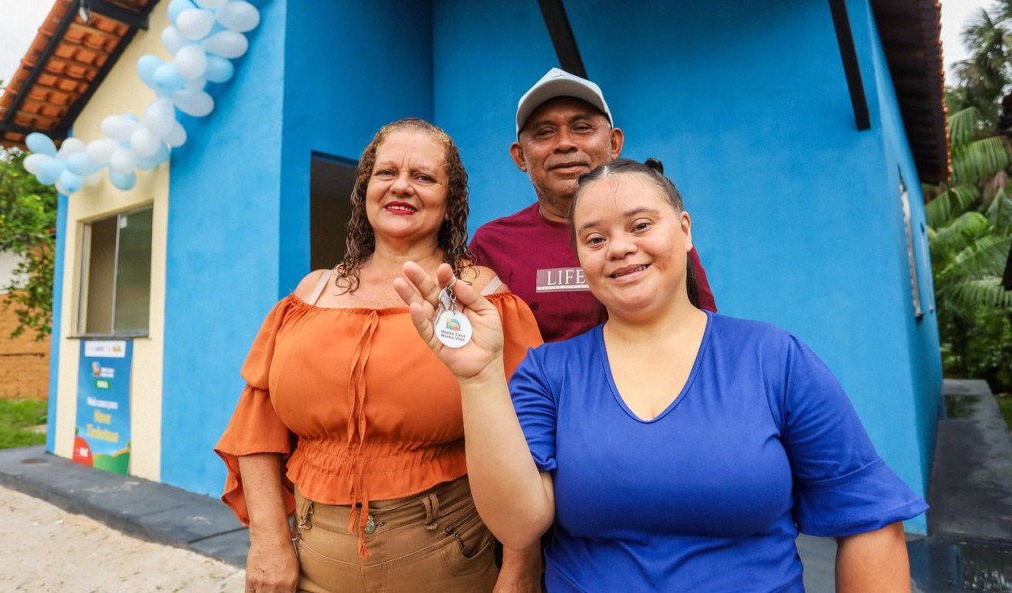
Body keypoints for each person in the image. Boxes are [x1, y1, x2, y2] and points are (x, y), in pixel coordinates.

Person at [395, 158, 928, 592]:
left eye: (641, 225)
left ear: (685, 230)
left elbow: (870, 521)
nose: (620, 248)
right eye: (594, 239)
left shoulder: (773, 359)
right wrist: (480, 379)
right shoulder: (548, 374)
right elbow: (519, 523)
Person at [215, 118, 543, 593]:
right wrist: (267, 542)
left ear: (450, 201)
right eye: (387, 172)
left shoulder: (483, 301)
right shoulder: (309, 296)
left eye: (424, 177)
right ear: (365, 189)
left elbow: (529, 444)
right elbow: (256, 429)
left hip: (450, 570)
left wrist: (520, 569)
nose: (402, 186)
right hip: (309, 571)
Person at [470, 68, 717, 343]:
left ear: (614, 143)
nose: (565, 143)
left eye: (582, 128)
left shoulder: (655, 234)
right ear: (520, 156)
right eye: (545, 132)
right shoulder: (492, 245)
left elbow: (703, 333)